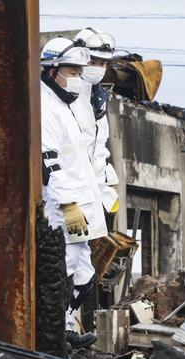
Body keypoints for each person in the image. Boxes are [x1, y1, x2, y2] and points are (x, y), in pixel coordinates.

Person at [40, 37, 105, 350]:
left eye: (81, 70)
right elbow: (49, 163)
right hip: (63, 210)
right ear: (53, 72)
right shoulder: (45, 108)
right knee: (62, 272)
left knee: (84, 272)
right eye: (72, 70)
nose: (78, 76)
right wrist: (67, 204)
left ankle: (63, 329)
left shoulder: (65, 107)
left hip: (81, 209)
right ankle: (53, 336)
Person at [72, 27, 120, 221]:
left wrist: (107, 199)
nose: (98, 68)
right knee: (71, 249)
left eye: (103, 63)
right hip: (71, 199)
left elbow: (99, 151)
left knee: (91, 251)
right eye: (93, 61)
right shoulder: (65, 99)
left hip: (97, 198)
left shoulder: (99, 99)